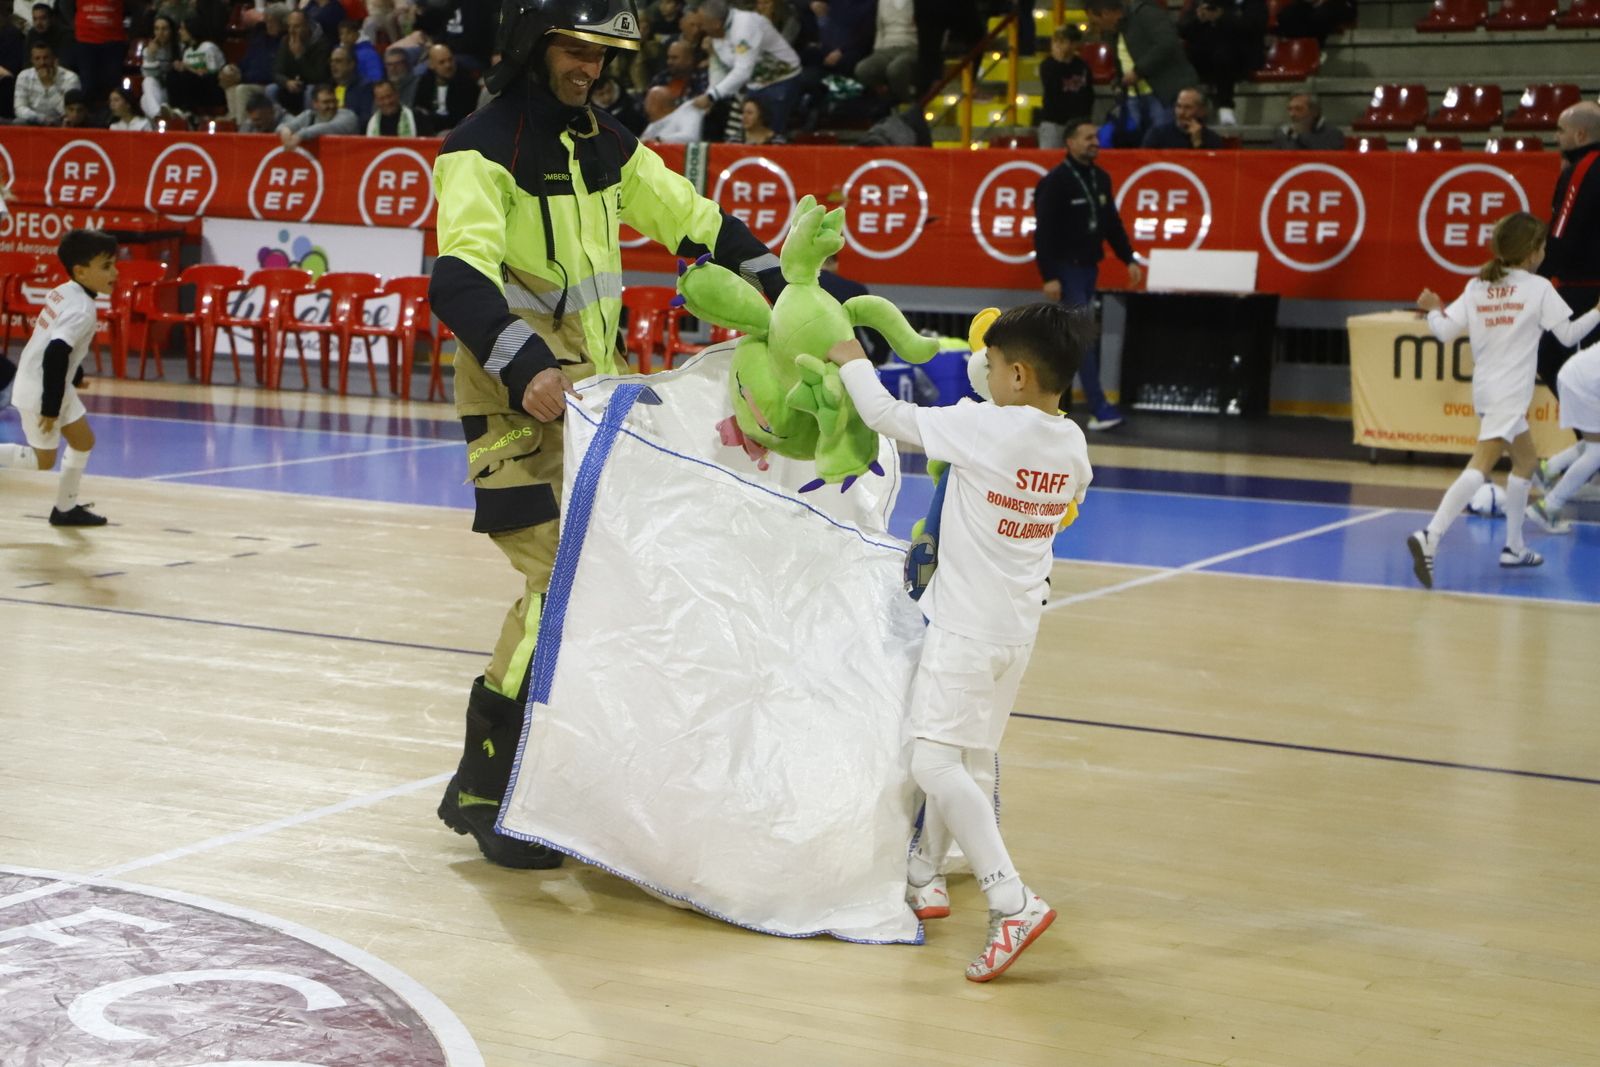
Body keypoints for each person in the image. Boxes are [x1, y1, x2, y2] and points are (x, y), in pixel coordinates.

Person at [428, 0, 787, 869]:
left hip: (597, 403)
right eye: (573, 51)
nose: (588, 69)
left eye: (599, 56)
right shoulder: (476, 149)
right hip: (515, 406)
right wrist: (529, 370)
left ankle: (553, 781)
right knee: (560, 585)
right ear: (530, 46)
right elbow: (457, 279)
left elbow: (693, 219)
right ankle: (486, 790)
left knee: (598, 592)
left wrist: (789, 289)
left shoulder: (605, 143)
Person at [823, 301, 1093, 982]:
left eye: (997, 366)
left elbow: (887, 417)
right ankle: (926, 875)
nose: (989, 373)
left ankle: (1011, 897)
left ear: (1020, 376)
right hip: (1017, 629)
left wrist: (850, 358)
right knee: (969, 759)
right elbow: (1067, 498)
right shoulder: (1071, 443)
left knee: (933, 763)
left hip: (967, 631)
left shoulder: (983, 428)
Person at [1406, 213, 1600, 588]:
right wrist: (1596, 312)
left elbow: (1444, 332)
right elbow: (1568, 335)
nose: (1545, 252)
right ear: (1531, 254)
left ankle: (1513, 546)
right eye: (1542, 246)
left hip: (1486, 391)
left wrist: (1433, 308)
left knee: (1526, 462)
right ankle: (1430, 536)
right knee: (1481, 465)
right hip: (1509, 395)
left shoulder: (1478, 286)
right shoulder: (1538, 288)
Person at [0, 229, 119, 528]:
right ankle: (65, 509)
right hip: (41, 389)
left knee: (83, 441)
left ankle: (65, 509)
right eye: (106, 266)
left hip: (51, 384)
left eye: (114, 264)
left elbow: (56, 346)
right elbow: (55, 353)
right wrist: (50, 408)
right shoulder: (81, 308)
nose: (115, 272)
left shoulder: (65, 290)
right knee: (43, 461)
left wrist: (74, 376)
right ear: (80, 271)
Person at [1032, 118, 1143, 430]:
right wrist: (1049, 275)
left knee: (1066, 339)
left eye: (1096, 136)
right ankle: (1099, 407)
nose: (1095, 141)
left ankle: (1041, 406)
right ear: (1070, 142)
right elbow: (1043, 233)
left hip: (1089, 269)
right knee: (1082, 339)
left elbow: (1112, 223)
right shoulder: (1056, 182)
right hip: (1067, 270)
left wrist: (1128, 259)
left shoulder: (1100, 178)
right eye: (1088, 137)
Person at [1537, 102, 1600, 399]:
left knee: (1552, 361)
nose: (1555, 137)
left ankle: (1589, 437)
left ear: (1581, 134)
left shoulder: (1583, 169)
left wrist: (1539, 277)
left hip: (1582, 289)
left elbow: (1562, 229)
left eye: (1561, 130)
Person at [691, 0, 803, 137]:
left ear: (716, 23)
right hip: (754, 84)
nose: (700, 28)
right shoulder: (716, 34)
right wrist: (710, 95)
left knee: (768, 134)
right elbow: (719, 68)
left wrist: (713, 95)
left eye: (702, 24)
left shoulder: (745, 26)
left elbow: (743, 71)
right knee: (745, 135)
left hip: (781, 80)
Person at [1094, 0, 1197, 137]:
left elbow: (1167, 44)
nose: (1097, 27)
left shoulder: (1145, 13)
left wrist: (1139, 71)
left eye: (1096, 22)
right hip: (1133, 95)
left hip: (1163, 93)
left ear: (1106, 14)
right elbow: (1122, 58)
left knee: (1163, 140)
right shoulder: (1115, 31)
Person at [1528, 340, 1600, 534]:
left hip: (1575, 376)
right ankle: (1548, 506)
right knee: (1597, 452)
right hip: (1583, 383)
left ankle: (1546, 471)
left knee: (1595, 444)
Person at [1177, 0, 1251, 127]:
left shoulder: (1239, 5)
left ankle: (1225, 106)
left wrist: (1220, 17)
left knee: (1225, 56)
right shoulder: (1197, 4)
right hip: (1202, 56)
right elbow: (1181, 30)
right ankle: (1190, 107)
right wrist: (1198, 19)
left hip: (1233, 56)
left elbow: (1251, 28)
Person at [1035, 25, 1093, 151]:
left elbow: (1088, 94)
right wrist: (1059, 62)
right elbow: (1052, 89)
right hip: (1054, 122)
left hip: (1077, 124)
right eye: (1058, 41)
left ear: (1074, 44)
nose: (1061, 45)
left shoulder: (1082, 66)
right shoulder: (1048, 65)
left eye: (1064, 41)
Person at [853, 0, 917, 107]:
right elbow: (880, 29)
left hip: (912, 47)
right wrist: (877, 51)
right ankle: (888, 103)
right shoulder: (882, 2)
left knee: (896, 69)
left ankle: (909, 105)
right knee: (863, 69)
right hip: (886, 48)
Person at [275, 8, 330, 114]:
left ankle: (309, 121)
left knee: (311, 91)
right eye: (289, 26)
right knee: (271, 90)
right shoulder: (285, 41)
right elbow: (277, 71)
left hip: (311, 85)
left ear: (307, 26)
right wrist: (286, 82)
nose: (292, 31)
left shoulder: (321, 44)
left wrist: (299, 56)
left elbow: (319, 77)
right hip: (291, 85)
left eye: (296, 26)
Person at [412, 43, 477, 134]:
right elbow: (418, 108)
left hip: (457, 131)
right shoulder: (426, 81)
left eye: (450, 60)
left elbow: (461, 118)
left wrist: (431, 117)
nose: (448, 65)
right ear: (431, 65)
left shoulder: (465, 82)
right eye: (442, 62)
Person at [15, 42, 80, 124]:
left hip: (60, 121)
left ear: (54, 58)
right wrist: (42, 119)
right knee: (19, 122)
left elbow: (70, 113)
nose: (42, 63)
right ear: (32, 60)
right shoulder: (24, 76)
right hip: (33, 120)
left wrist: (49, 85)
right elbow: (19, 108)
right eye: (37, 59)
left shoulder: (70, 78)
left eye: (46, 58)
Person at [1141, 86, 1226, 149]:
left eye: (1188, 107)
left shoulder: (1212, 139)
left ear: (1201, 111)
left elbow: (1209, 168)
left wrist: (1197, 143)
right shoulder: (1157, 135)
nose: (1181, 112)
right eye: (1178, 106)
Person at [277, 82, 359, 145]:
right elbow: (283, 127)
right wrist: (285, 130)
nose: (332, 105)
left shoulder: (348, 116)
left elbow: (330, 127)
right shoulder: (309, 115)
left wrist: (300, 135)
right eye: (326, 102)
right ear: (315, 104)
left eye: (334, 101)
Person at [1271, 91, 1343, 150]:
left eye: (1298, 109)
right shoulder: (1283, 134)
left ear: (1314, 112)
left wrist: (1299, 136)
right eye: (1289, 109)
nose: (1292, 114)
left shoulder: (1332, 134)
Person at [639, 82, 703, 142]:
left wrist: (659, 140)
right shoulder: (653, 125)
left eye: (648, 101)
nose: (645, 105)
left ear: (659, 104)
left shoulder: (687, 112)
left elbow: (690, 138)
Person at [327, 45, 374, 125]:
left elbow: (365, 119)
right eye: (332, 61)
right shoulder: (328, 87)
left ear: (351, 64)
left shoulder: (365, 87)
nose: (333, 65)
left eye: (338, 61)